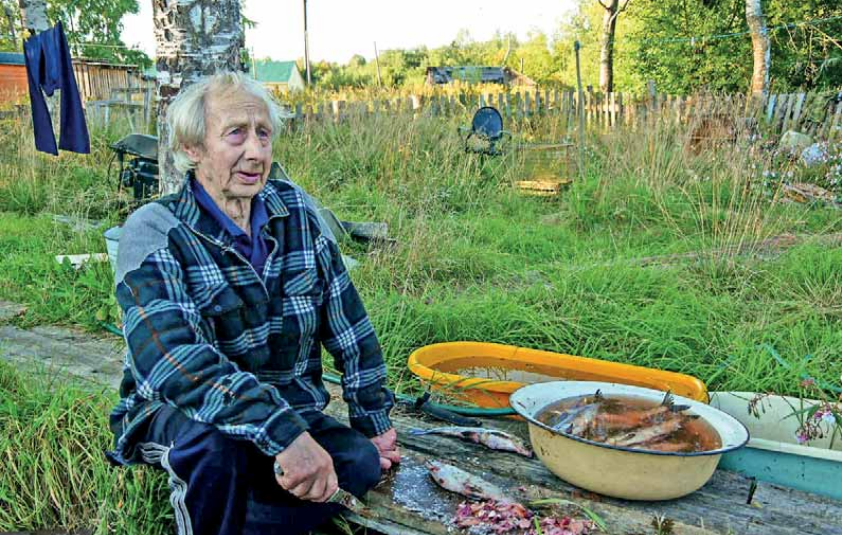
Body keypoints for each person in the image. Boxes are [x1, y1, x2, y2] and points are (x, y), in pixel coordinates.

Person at [107, 71, 400, 535]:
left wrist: (373, 420)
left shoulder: (297, 211)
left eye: (263, 134)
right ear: (192, 147)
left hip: (288, 409)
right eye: (236, 134)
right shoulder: (155, 229)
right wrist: (285, 435)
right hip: (182, 415)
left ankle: (244, 522)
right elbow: (171, 362)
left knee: (360, 462)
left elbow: (350, 325)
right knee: (215, 450)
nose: (257, 152)